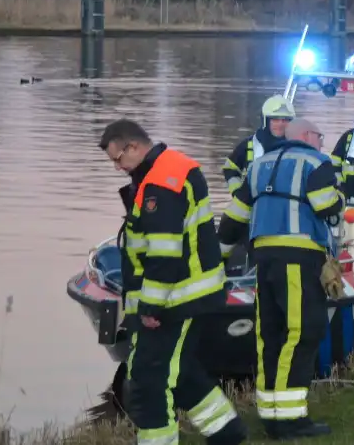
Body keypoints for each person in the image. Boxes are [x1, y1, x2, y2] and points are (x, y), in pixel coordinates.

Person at [97, 119, 246, 445]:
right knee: (175, 373)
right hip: (180, 295)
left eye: (118, 158)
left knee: (151, 380)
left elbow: (164, 252)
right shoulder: (165, 171)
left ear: (133, 147)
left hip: (174, 300)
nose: (117, 167)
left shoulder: (163, 182)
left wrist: (150, 306)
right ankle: (226, 430)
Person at [218, 118, 345, 440]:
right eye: (320, 135)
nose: (322, 141)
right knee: (302, 331)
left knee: (270, 333)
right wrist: (340, 199)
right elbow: (326, 206)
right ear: (305, 136)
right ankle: (290, 420)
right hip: (299, 255)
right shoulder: (317, 162)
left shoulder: (258, 165)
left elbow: (235, 217)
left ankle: (271, 413)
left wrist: (218, 258)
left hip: (263, 257)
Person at [221, 95, 295, 195]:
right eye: (275, 120)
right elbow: (230, 169)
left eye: (285, 120)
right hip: (253, 205)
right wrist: (238, 192)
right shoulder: (249, 144)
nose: (280, 124)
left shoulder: (298, 146)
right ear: (266, 121)